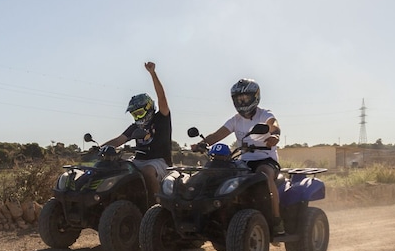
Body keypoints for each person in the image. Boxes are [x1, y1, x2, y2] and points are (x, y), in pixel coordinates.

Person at [191, 78, 285, 236]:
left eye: (245, 98)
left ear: (255, 97)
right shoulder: (236, 120)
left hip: (266, 160)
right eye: (238, 99)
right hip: (244, 162)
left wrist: (274, 136)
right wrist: (202, 143)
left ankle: (276, 220)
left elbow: (273, 124)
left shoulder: (264, 114)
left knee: (264, 175)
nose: (242, 102)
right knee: (222, 174)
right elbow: (218, 134)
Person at [101, 62, 171, 201]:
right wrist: (100, 148)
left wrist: (153, 74)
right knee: (116, 169)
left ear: (149, 108)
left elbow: (162, 97)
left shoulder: (161, 118)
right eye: (134, 114)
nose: (137, 117)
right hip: (138, 160)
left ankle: (157, 206)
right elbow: (118, 140)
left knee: (147, 172)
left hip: (159, 161)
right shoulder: (135, 127)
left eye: (139, 113)